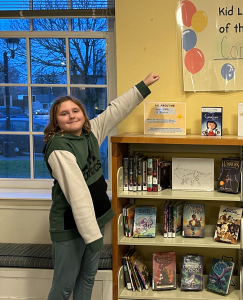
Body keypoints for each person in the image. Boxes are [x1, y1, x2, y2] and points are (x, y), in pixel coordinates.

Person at [42, 73, 159, 300]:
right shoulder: (59, 147)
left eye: (75, 111)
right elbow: (78, 195)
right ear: (56, 122)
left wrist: (142, 86)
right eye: (64, 113)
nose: (71, 116)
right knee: (64, 286)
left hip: (95, 219)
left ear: (83, 114)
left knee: (87, 278)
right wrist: (93, 237)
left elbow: (115, 111)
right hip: (69, 227)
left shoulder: (90, 133)